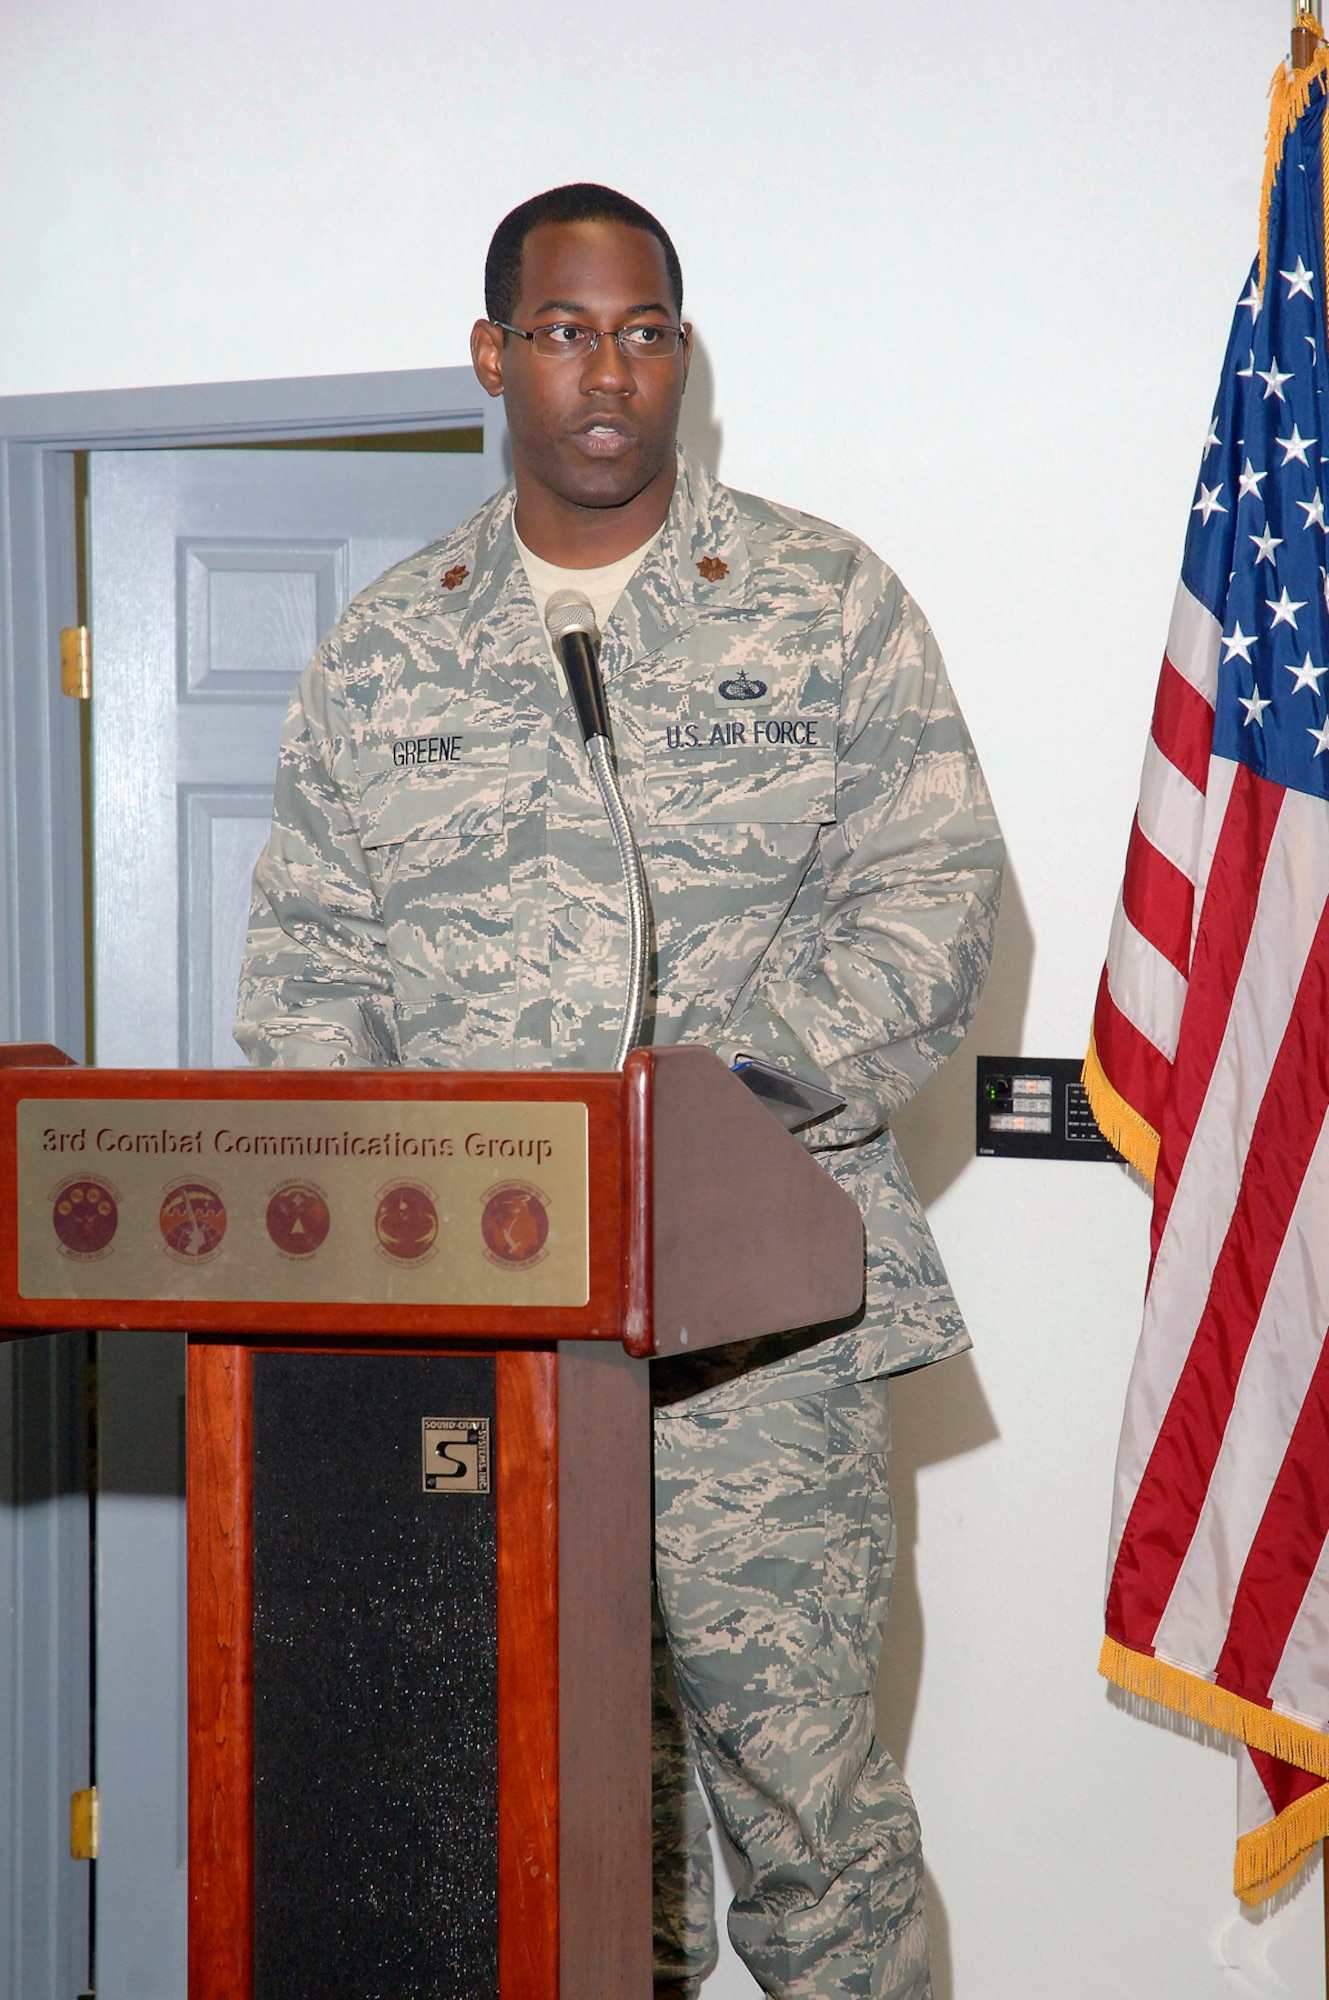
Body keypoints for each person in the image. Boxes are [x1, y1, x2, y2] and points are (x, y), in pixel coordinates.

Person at [236, 182, 1003, 2000]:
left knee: (811, 1824)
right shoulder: (386, 644)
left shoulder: (823, 601)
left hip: (766, 1334)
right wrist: (386, 1230)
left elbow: (934, 894)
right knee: (544, 1834)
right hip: (484, 1346)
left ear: (683, 358)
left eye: (646, 333)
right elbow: (310, 977)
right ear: (495, 356)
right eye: (569, 333)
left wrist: (728, 1104)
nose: (610, 372)